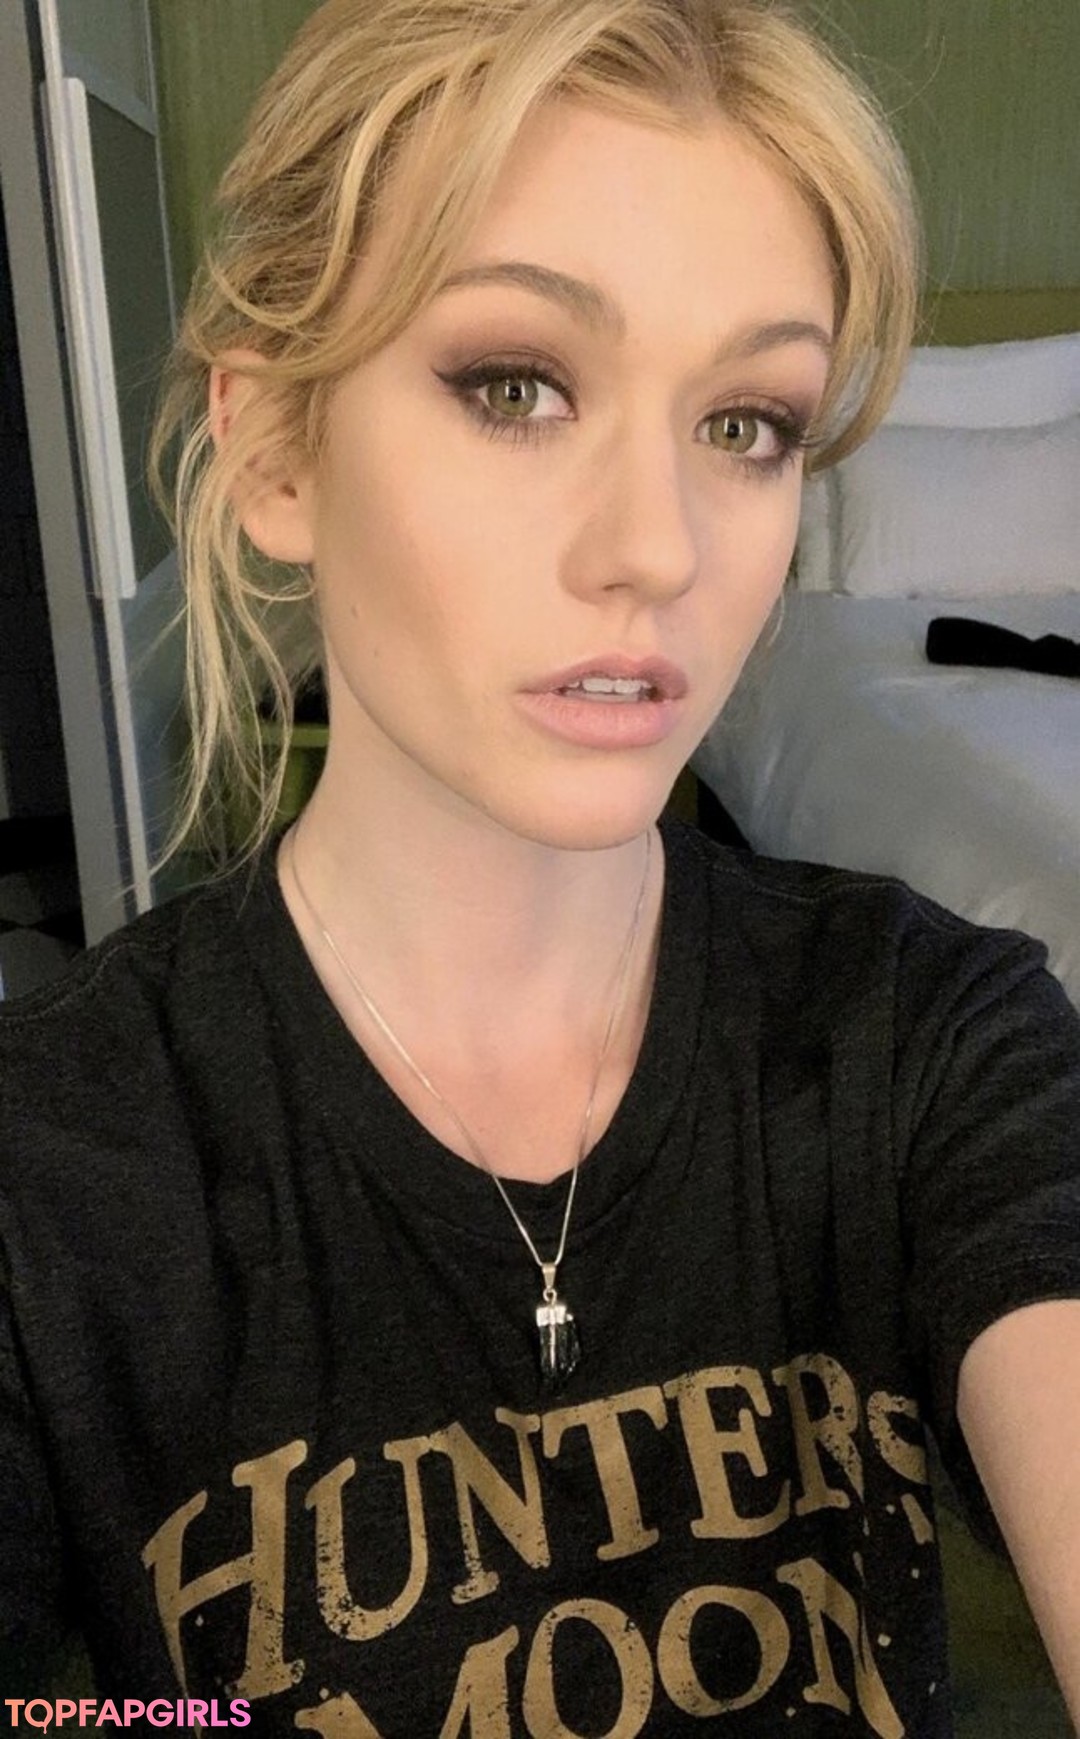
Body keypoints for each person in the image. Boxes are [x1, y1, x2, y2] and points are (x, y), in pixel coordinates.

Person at [1, 0, 1078, 1731]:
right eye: (516, 387)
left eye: (748, 423)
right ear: (275, 449)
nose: (656, 548)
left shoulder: (938, 1035)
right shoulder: (57, 1162)